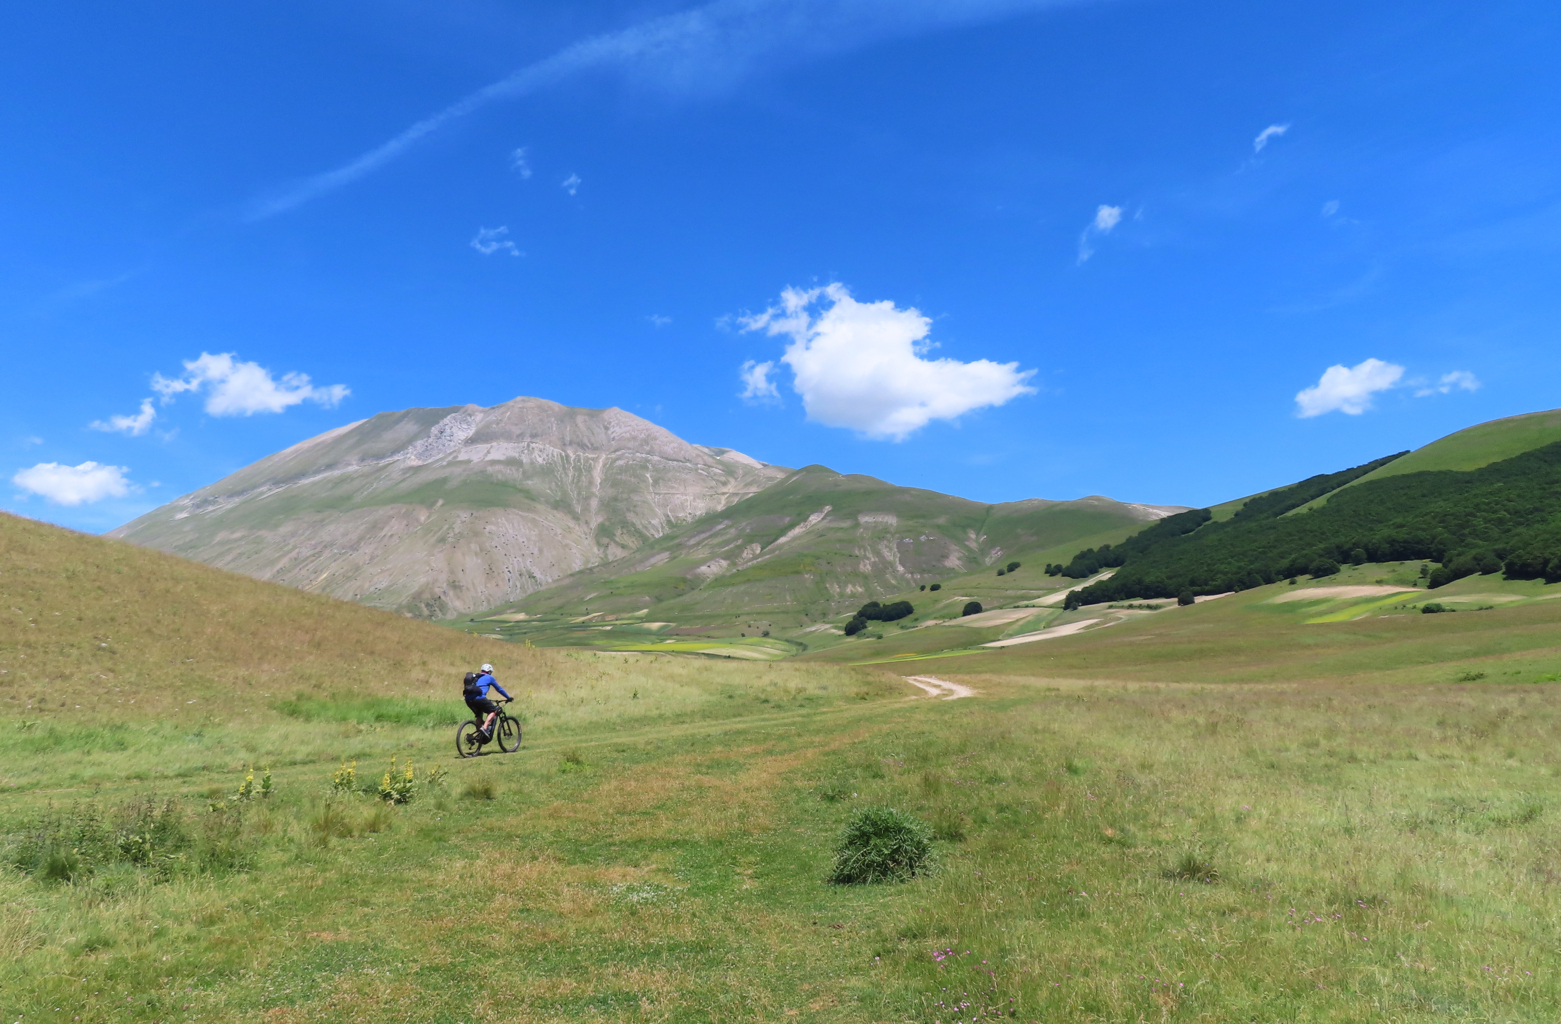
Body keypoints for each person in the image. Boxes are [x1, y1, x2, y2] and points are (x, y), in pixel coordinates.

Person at [463, 663, 511, 740]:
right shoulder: (489, 677)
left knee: (479, 716)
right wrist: (508, 697)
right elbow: (499, 689)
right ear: (489, 671)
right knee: (494, 711)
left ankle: (479, 736)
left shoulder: (476, 677)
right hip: (479, 698)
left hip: (468, 699)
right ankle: (484, 728)